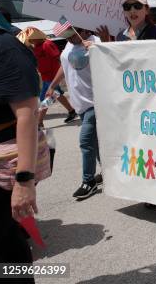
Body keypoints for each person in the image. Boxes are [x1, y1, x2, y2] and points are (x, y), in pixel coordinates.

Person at [96, 0, 156, 211]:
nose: (132, 11)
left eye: (137, 6)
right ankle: (147, 191)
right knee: (141, 149)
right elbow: (118, 68)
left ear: (146, 9)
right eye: (127, 7)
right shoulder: (120, 36)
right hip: (133, 105)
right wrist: (105, 45)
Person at [0, 7, 40, 276]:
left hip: (2, 165)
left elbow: (28, 114)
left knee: (4, 247)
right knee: (7, 245)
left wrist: (24, 181)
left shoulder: (5, 47)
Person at [46, 27, 103, 200]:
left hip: (96, 101)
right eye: (66, 36)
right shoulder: (69, 46)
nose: (69, 39)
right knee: (95, 141)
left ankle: (89, 182)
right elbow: (64, 65)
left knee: (86, 141)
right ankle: (109, 171)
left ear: (84, 30)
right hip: (80, 103)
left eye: (71, 35)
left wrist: (95, 50)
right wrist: (53, 85)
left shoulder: (96, 43)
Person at [19, 27, 77, 127]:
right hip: (46, 76)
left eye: (31, 39)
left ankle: (39, 122)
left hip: (52, 76)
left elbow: (58, 58)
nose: (30, 41)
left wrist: (61, 75)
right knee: (56, 94)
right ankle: (71, 111)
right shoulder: (36, 46)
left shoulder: (47, 44)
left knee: (46, 98)